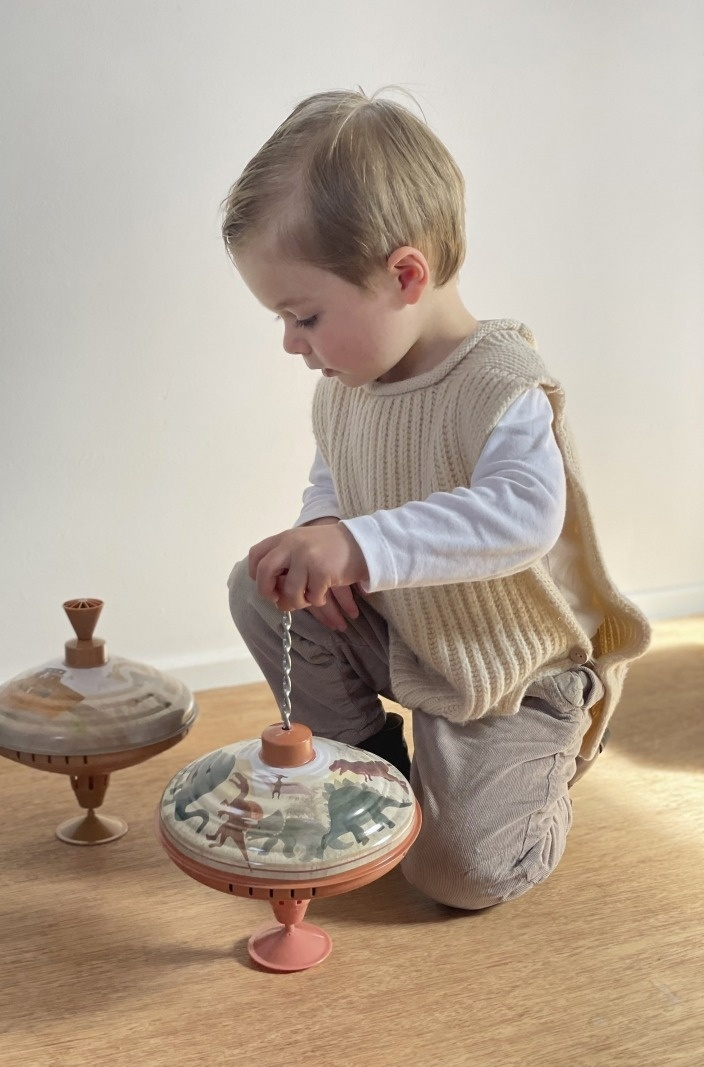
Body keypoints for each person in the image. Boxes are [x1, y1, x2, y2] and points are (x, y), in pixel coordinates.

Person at [222, 89, 651, 910]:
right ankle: (369, 770)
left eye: (303, 316)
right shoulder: (347, 385)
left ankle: (539, 781)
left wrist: (357, 547)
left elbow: (524, 514)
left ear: (404, 276)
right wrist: (322, 526)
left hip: (514, 670)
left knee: (458, 875)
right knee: (261, 586)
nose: (290, 343)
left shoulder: (500, 383)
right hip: (417, 636)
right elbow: (338, 472)